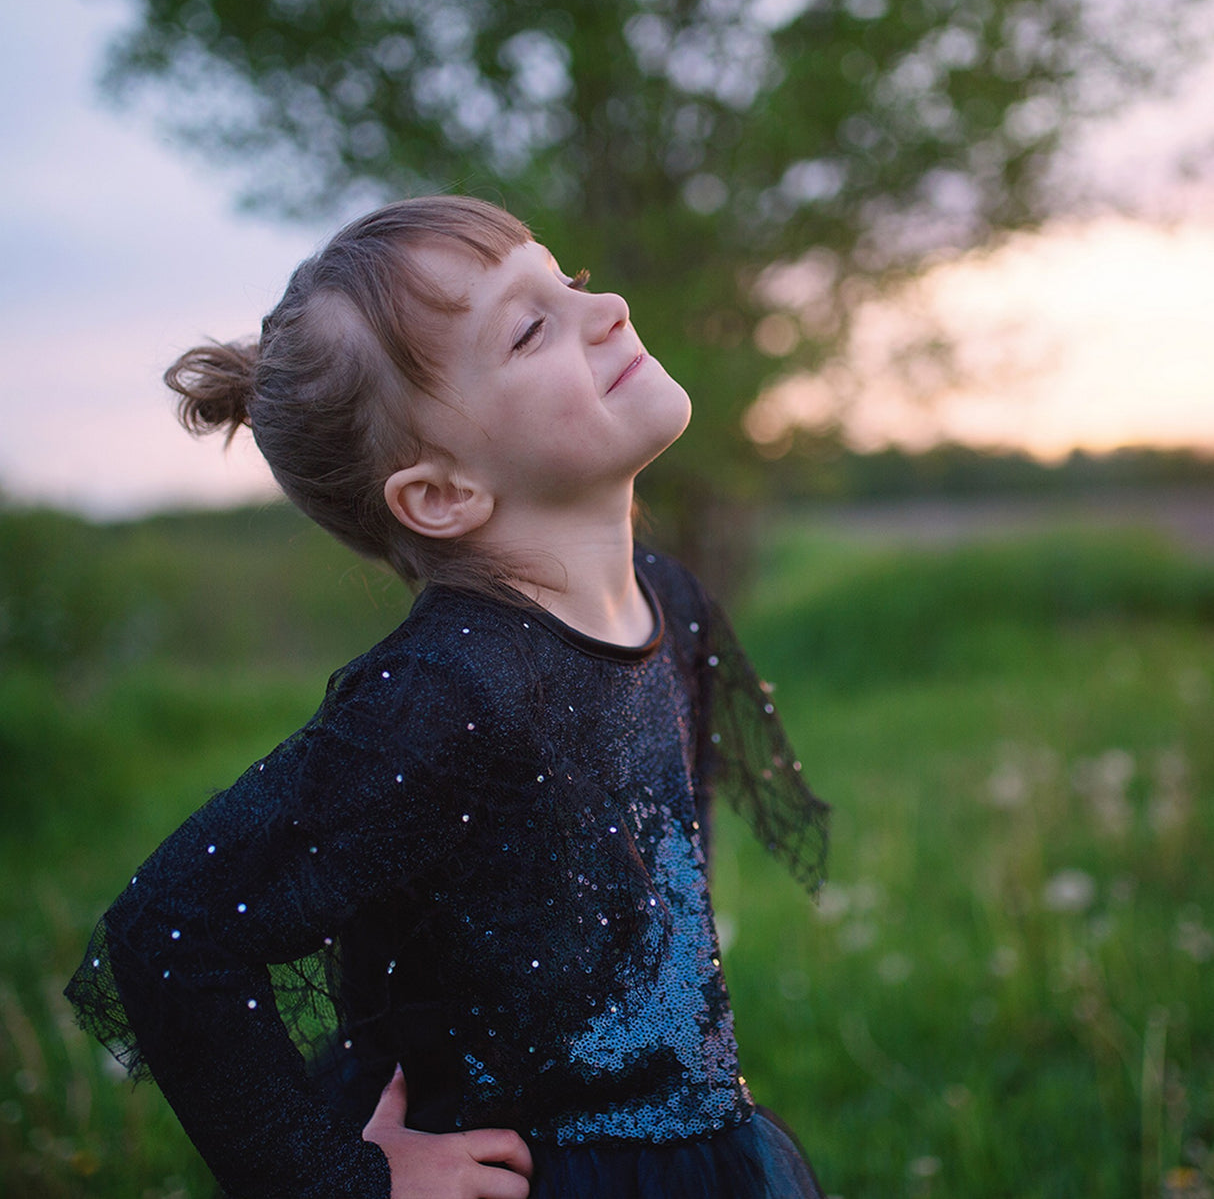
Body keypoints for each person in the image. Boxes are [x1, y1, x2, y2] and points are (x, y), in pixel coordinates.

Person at [65, 195, 830, 1199]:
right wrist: (340, 1177)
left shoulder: (669, 600)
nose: (604, 312)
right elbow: (169, 930)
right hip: (527, 1169)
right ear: (441, 493)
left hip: (689, 1145)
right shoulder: (447, 691)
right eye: (529, 328)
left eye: (573, 282)